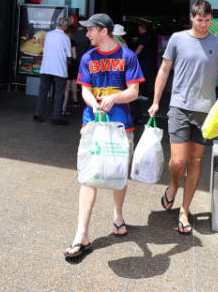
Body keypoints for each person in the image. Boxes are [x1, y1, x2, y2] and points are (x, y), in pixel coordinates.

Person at [148, 0, 218, 235]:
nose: (204, 25)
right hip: (179, 107)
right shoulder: (177, 39)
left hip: (206, 112)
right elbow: (163, 70)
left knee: (196, 162)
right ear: (192, 18)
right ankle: (173, 185)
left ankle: (184, 209)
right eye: (200, 20)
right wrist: (155, 101)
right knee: (178, 161)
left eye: (208, 21)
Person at [64, 13, 143, 262]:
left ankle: (118, 216)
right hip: (93, 125)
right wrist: (95, 105)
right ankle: (81, 234)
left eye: (90, 30)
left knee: (118, 173)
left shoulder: (127, 57)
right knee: (87, 177)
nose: (86, 34)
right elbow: (85, 89)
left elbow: (133, 92)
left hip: (121, 127)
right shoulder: (88, 57)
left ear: (104, 31)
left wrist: (113, 98)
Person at [34, 16, 71, 126]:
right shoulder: (65, 38)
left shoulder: (48, 35)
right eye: (67, 25)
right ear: (64, 25)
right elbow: (69, 54)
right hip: (59, 69)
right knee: (59, 93)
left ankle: (38, 114)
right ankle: (56, 117)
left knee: (43, 91)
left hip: (46, 68)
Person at [61, 20, 80, 116]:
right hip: (71, 65)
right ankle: (74, 102)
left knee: (65, 87)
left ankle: (62, 108)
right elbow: (75, 56)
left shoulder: (62, 40)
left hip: (63, 65)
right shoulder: (72, 42)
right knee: (73, 83)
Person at [134, 22, 156, 100]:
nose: (138, 30)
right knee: (145, 75)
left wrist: (133, 56)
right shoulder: (149, 35)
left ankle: (144, 94)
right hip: (148, 58)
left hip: (144, 59)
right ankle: (144, 93)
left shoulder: (144, 36)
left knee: (143, 76)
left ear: (141, 29)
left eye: (139, 29)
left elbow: (140, 48)